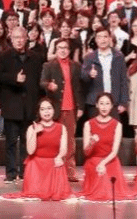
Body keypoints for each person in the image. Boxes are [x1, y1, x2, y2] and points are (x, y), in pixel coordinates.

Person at [0, 26, 44, 182]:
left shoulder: (36, 58)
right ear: (11, 39)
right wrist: (14, 79)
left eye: (21, 37)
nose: (19, 40)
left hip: (29, 106)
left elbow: (39, 81)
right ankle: (11, 173)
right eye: (16, 37)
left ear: (26, 39)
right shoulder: (4, 56)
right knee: (10, 142)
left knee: (27, 142)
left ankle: (25, 172)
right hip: (11, 106)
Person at [1, 98, 72, 201]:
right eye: (43, 109)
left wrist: (59, 157)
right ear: (39, 112)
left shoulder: (61, 128)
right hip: (37, 166)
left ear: (53, 110)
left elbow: (64, 148)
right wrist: (35, 133)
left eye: (49, 108)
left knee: (59, 192)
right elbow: (30, 151)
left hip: (54, 164)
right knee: (35, 194)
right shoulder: (32, 128)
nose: (46, 112)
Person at [39, 38, 85, 181]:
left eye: (65, 48)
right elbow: (42, 82)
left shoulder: (76, 66)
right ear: (56, 50)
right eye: (60, 48)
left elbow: (79, 88)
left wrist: (80, 106)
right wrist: (49, 85)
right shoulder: (49, 65)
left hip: (71, 108)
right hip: (55, 109)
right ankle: (53, 171)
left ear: (69, 50)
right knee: (53, 141)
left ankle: (69, 172)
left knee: (70, 141)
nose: (63, 50)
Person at [77, 93, 132, 200]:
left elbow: (114, 152)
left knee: (110, 188)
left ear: (111, 106)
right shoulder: (88, 124)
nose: (104, 107)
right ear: (97, 105)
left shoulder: (117, 125)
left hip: (110, 160)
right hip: (93, 161)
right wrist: (92, 142)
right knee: (99, 182)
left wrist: (103, 163)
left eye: (107, 104)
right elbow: (86, 152)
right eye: (101, 103)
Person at [81, 29, 128, 120]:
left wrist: (123, 102)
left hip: (114, 102)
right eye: (99, 37)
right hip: (95, 103)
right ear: (96, 40)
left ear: (110, 38)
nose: (103, 40)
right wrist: (89, 74)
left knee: (114, 128)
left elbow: (123, 80)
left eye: (105, 37)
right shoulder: (89, 57)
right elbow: (83, 78)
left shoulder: (119, 56)